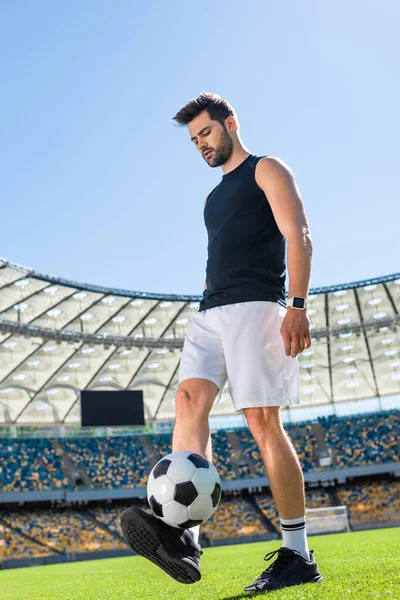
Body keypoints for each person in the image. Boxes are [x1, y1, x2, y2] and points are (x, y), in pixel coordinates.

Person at [121, 92, 323, 593]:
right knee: (188, 400)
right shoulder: (213, 197)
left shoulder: (266, 168)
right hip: (209, 311)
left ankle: (298, 553)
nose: (201, 145)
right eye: (194, 141)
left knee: (261, 420)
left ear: (231, 123)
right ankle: (185, 536)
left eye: (206, 133)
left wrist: (296, 306)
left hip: (258, 305)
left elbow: (298, 234)